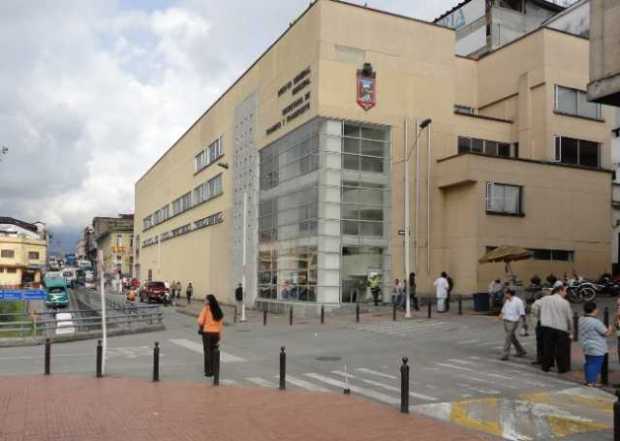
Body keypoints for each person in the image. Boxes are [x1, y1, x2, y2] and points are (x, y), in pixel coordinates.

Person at [539, 284, 573, 373]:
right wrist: (571, 330)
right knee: (561, 349)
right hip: (560, 328)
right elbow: (569, 317)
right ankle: (562, 368)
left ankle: (546, 366)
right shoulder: (564, 302)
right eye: (565, 291)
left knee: (547, 347)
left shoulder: (545, 299)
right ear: (560, 291)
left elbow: (535, 307)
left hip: (546, 326)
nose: (566, 293)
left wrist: (540, 318)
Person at [579, 301, 612, 387]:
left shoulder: (581, 319)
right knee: (595, 365)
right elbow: (606, 333)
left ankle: (589, 381)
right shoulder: (596, 322)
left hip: (586, 345)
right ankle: (591, 382)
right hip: (596, 347)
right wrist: (610, 328)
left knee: (589, 363)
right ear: (594, 310)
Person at [197, 294, 224, 377]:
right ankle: (214, 369)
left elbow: (200, 321)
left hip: (207, 333)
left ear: (209, 301)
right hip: (216, 334)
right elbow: (220, 324)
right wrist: (219, 335)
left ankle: (208, 371)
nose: (204, 301)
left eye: (205, 300)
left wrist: (202, 326)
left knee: (207, 352)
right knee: (214, 352)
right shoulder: (218, 310)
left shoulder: (206, 308)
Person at [499, 288, 527, 361]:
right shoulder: (507, 301)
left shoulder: (518, 301)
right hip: (506, 321)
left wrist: (524, 323)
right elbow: (503, 310)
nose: (504, 295)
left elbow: (522, 313)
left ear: (509, 293)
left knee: (508, 338)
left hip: (513, 322)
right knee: (512, 338)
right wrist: (501, 314)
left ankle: (504, 354)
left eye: (505, 293)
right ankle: (521, 351)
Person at [530, 289, 549, 365]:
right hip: (551, 324)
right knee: (548, 342)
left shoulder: (537, 303)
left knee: (540, 342)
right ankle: (548, 360)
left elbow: (534, 314)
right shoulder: (551, 302)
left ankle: (540, 359)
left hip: (541, 323)